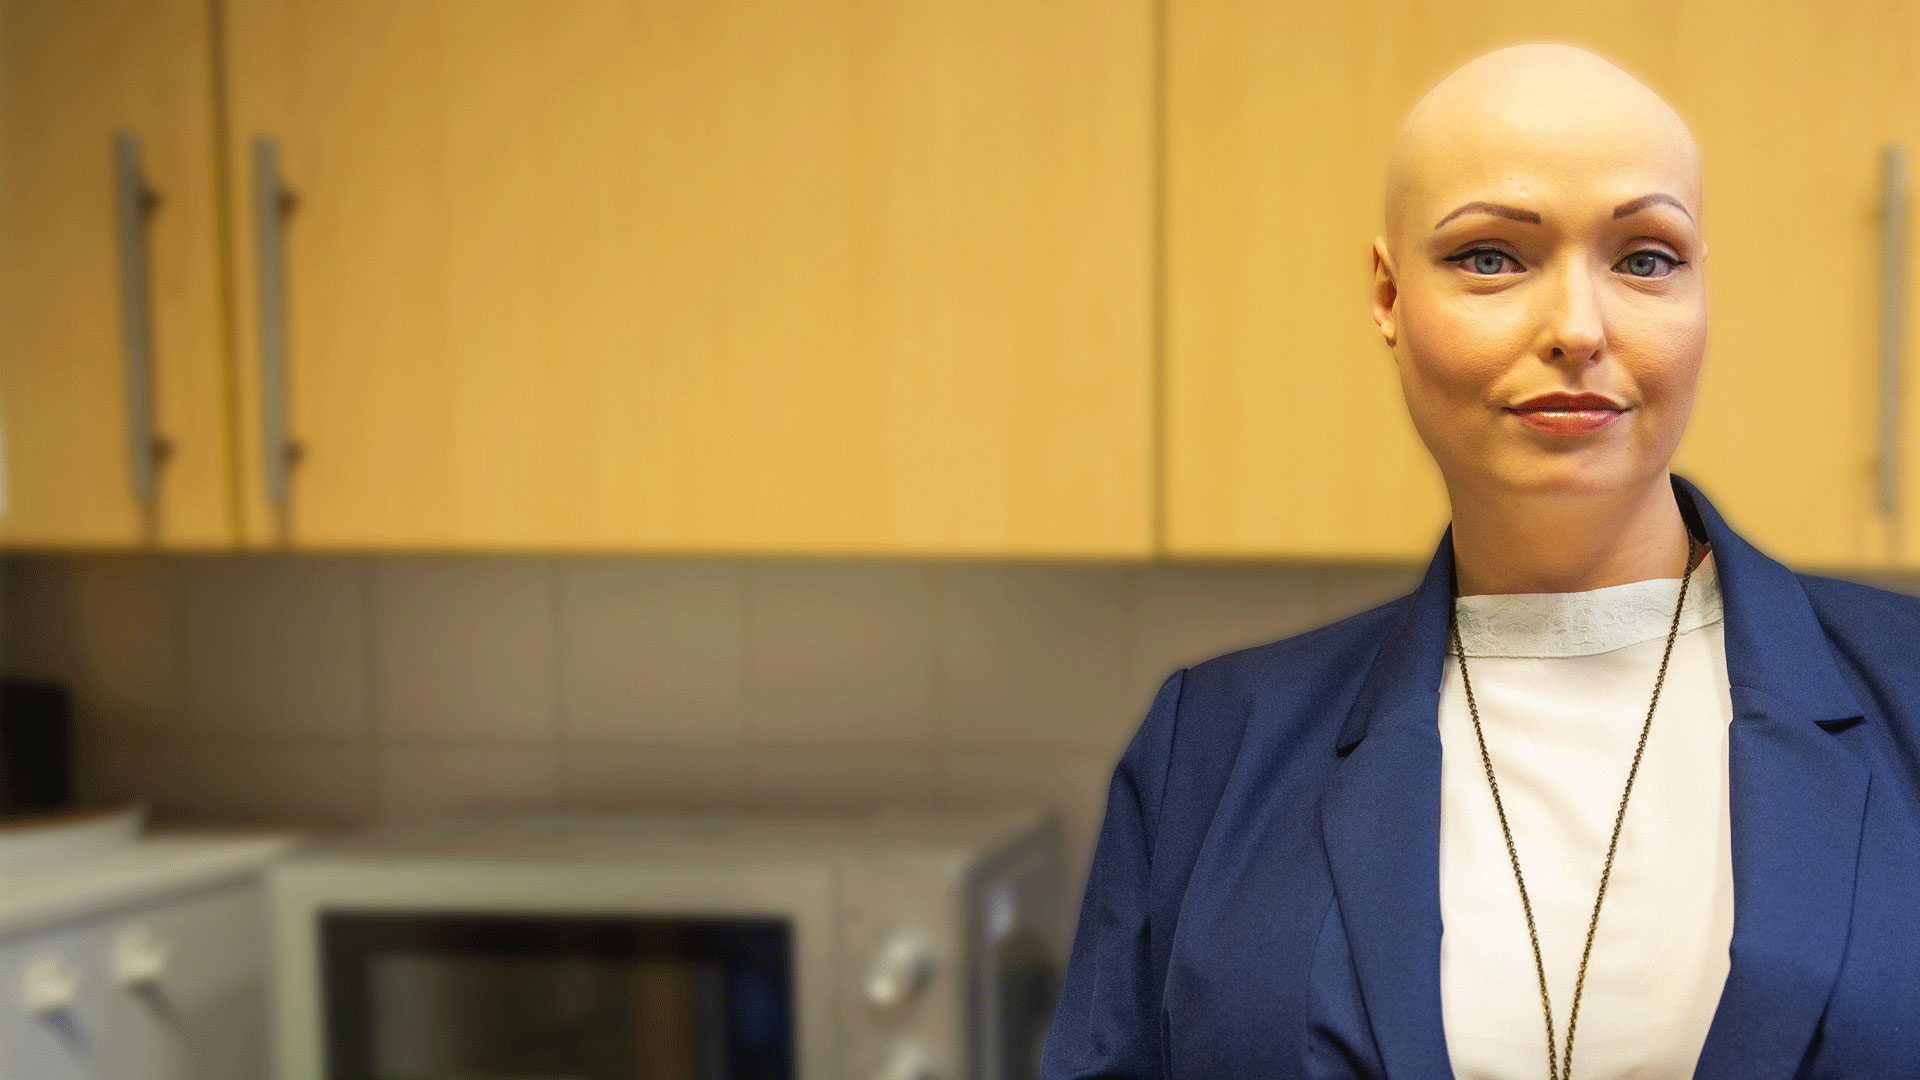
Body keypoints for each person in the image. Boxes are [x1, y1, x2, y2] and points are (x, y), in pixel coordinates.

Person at [1040, 42, 1920, 1080]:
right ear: (1387, 295)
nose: (1577, 330)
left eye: (1644, 257)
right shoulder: (1212, 749)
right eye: (1492, 257)